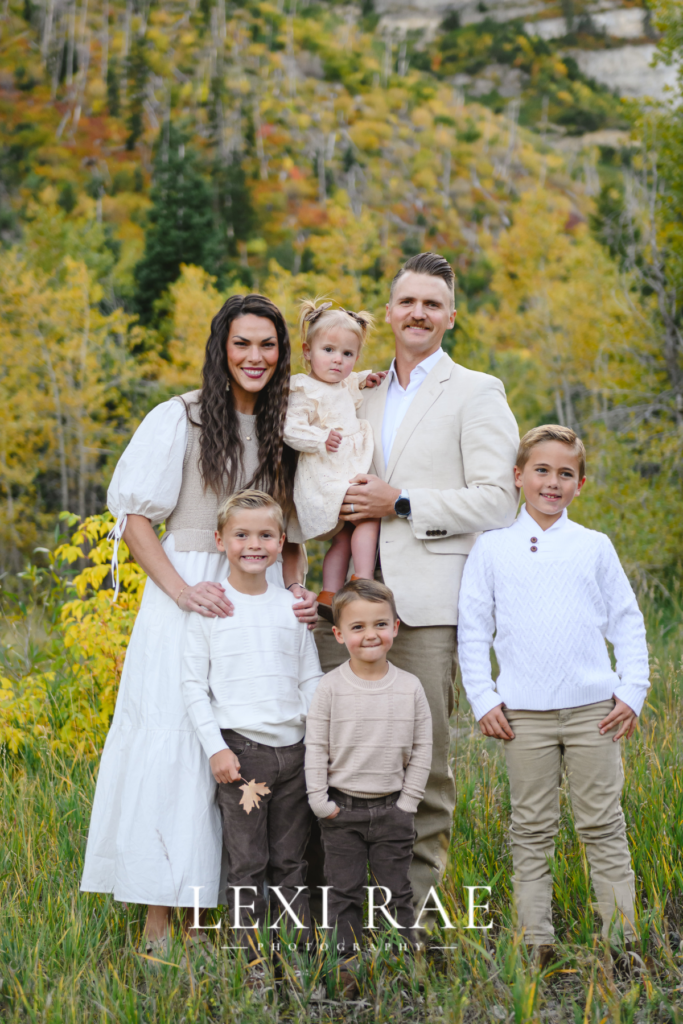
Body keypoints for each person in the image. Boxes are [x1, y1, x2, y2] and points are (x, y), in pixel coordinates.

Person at [80, 294, 318, 951]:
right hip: (188, 597)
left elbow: (291, 535)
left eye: (267, 345)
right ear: (221, 349)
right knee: (180, 750)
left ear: (281, 353)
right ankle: (160, 916)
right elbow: (133, 520)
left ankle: (217, 917)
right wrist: (182, 590)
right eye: (242, 344)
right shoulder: (179, 417)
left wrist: (294, 593)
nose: (255, 357)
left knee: (246, 747)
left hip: (259, 600)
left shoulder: (284, 429)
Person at [313, 252, 520, 925]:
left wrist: (399, 502)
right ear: (391, 309)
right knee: (336, 761)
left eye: (432, 304)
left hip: (426, 610)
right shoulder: (358, 391)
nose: (417, 313)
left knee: (421, 769)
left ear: (450, 316)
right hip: (342, 610)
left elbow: (497, 501)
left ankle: (414, 925)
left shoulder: (476, 390)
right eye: (406, 301)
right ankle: (341, 919)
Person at [457, 425, 650, 966]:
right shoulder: (492, 548)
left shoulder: (593, 546)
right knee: (532, 827)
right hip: (523, 715)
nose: (552, 482)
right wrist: (483, 698)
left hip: (595, 710)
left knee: (603, 824)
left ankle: (623, 943)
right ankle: (535, 942)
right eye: (541, 470)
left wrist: (631, 690)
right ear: (518, 477)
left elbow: (627, 622)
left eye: (566, 473)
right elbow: (473, 630)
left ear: (580, 484)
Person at [181, 490, 322, 975]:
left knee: (291, 862)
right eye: (241, 535)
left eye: (265, 535)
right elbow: (193, 686)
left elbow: (311, 680)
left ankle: (299, 959)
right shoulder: (212, 609)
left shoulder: (292, 608)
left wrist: (316, 744)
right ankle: (254, 964)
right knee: (247, 865)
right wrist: (216, 747)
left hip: (295, 756)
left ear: (282, 543)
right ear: (221, 541)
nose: (253, 544)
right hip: (244, 757)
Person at [304, 579, 432, 997]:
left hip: (392, 809)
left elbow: (422, 748)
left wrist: (408, 803)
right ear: (339, 635)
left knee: (397, 891)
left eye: (380, 624)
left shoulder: (410, 687)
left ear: (395, 627)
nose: (370, 634)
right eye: (357, 627)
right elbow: (316, 746)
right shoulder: (330, 687)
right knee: (343, 893)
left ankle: (405, 964)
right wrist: (320, 802)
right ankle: (346, 969)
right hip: (341, 811)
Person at [283, 300, 385, 619]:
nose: (338, 361)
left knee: (342, 536)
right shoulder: (303, 389)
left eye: (348, 354)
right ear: (307, 351)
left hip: (344, 467)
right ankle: (364, 580)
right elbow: (290, 429)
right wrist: (320, 438)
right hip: (326, 471)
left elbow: (351, 383)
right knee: (367, 516)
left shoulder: (344, 383)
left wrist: (367, 378)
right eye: (328, 350)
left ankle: (329, 592)